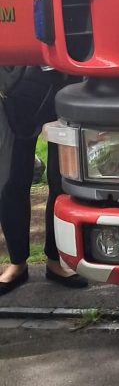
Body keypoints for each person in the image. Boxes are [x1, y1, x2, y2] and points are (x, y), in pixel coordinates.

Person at [0, 65, 88, 294]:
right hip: (13, 84)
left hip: (65, 77)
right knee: (12, 179)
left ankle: (55, 260)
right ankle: (17, 263)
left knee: (62, 181)